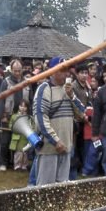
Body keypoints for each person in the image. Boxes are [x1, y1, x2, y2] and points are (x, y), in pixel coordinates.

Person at [33, 57, 85, 185]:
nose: (66, 74)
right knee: (45, 187)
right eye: (62, 70)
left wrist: (72, 96)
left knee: (62, 187)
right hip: (50, 147)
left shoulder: (68, 89)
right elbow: (40, 118)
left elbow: (81, 115)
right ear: (52, 71)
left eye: (67, 70)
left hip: (66, 146)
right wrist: (55, 141)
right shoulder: (44, 89)